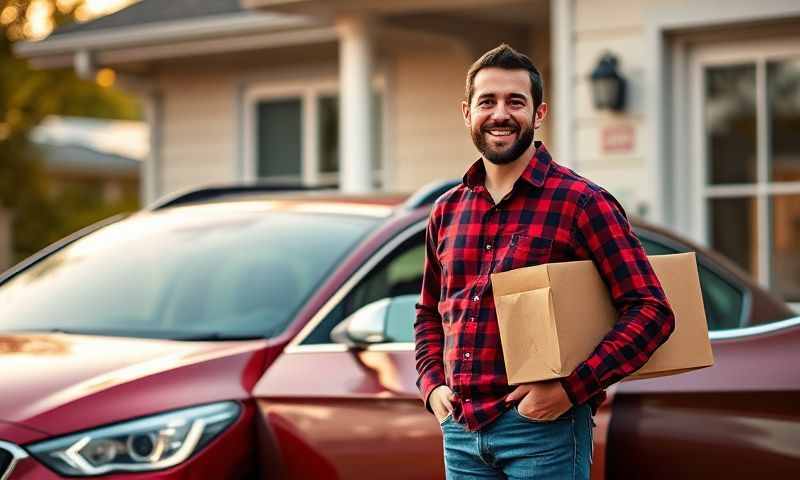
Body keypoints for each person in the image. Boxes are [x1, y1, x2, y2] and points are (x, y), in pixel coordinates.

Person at [413, 44, 675, 480]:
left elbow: (652, 311)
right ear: (467, 113)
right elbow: (427, 311)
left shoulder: (582, 202)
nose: (500, 114)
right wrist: (432, 385)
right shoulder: (446, 210)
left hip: (542, 432)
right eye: (487, 102)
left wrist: (571, 390)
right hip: (460, 429)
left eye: (515, 101)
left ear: (539, 113)